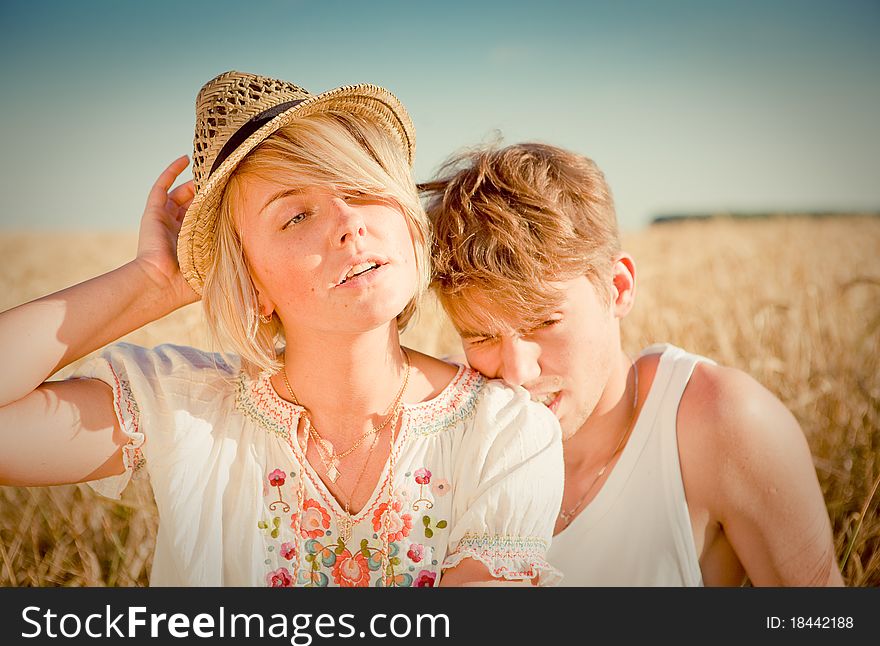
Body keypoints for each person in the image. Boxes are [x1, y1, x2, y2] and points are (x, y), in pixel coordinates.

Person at [0, 72, 563, 587]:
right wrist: (154, 282)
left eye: (363, 188)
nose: (349, 223)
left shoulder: (507, 432)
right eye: (296, 215)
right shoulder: (186, 410)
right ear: (251, 280)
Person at [422, 142, 844, 586]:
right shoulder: (445, 419)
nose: (517, 374)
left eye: (544, 321)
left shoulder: (724, 424)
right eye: (482, 336)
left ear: (618, 288)